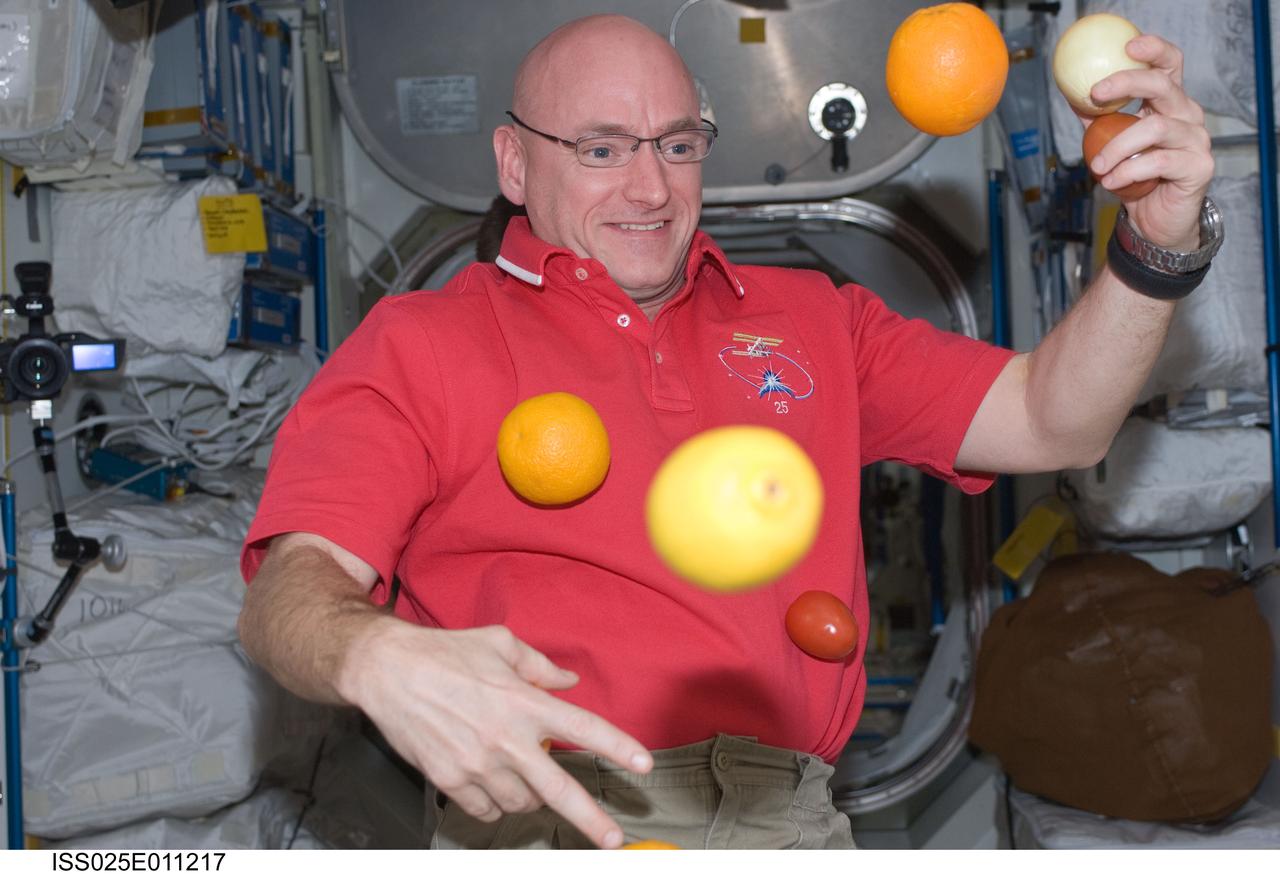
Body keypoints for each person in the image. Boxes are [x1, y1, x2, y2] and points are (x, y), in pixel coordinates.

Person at [238, 14, 1217, 850]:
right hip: (544, 816)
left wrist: (1154, 246)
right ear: (513, 163)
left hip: (786, 818)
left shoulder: (815, 318)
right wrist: (373, 655)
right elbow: (291, 590)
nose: (649, 188)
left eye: (676, 143)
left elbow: (1053, 419)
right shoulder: (418, 342)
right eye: (600, 148)